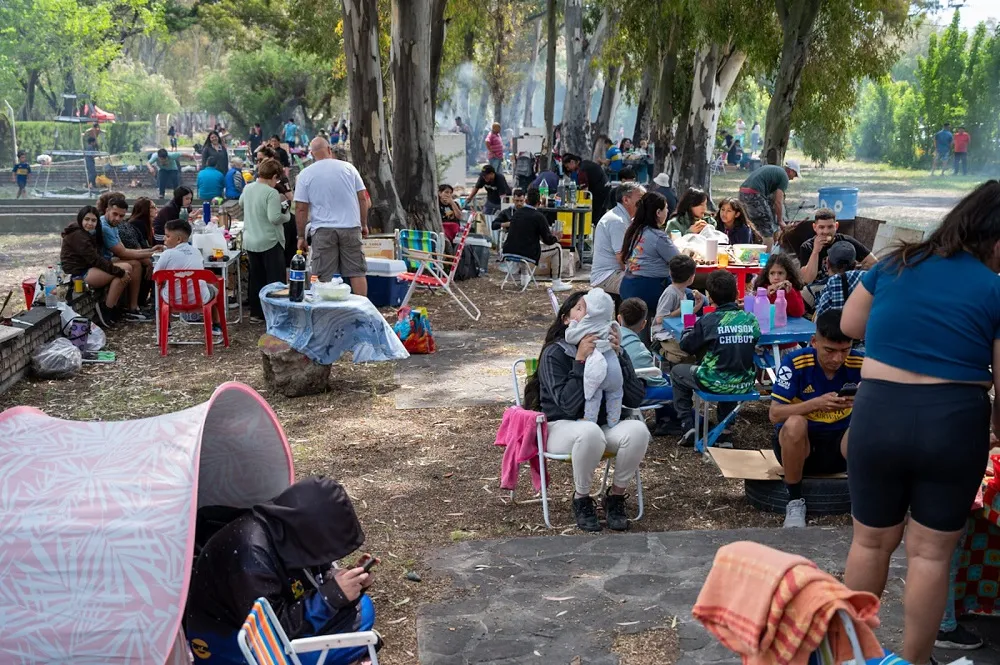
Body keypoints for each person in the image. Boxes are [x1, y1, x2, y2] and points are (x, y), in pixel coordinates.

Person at [839, 180, 1000, 665]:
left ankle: (851, 656)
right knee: (930, 555)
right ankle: (914, 661)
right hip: (952, 422)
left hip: (878, 414)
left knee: (870, 541)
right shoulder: (993, 287)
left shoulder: (894, 263)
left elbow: (849, 325)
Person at [186, 477, 378, 665]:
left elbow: (308, 578)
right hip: (232, 645)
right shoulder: (251, 553)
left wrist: (344, 581)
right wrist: (331, 595)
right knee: (361, 619)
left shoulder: (288, 528)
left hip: (275, 623)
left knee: (362, 609)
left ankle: (350, 649)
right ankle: (351, 649)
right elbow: (270, 632)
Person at [526, 291, 650, 532]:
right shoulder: (555, 354)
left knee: (638, 430)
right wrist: (580, 361)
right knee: (589, 431)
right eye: (581, 309)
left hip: (604, 426)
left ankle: (614, 497)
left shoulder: (610, 351)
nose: (590, 314)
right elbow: (567, 405)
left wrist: (620, 357)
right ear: (566, 320)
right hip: (561, 427)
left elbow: (635, 399)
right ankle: (582, 499)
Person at [769, 309, 861, 528]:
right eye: (830, 350)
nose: (837, 358)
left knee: (870, 420)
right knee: (794, 423)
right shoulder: (794, 362)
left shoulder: (861, 363)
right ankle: (794, 501)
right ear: (814, 342)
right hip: (802, 447)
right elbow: (774, 414)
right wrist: (815, 404)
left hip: (841, 447)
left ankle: (865, 500)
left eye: (845, 350)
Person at [670, 270, 760, 446]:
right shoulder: (750, 319)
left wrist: (689, 328)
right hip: (745, 382)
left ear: (710, 297)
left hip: (714, 380)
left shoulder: (709, 320)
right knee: (733, 366)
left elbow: (686, 346)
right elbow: (753, 339)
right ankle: (725, 431)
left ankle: (688, 424)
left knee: (677, 372)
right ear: (737, 294)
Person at [294, 138, 370, 296]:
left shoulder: (305, 174)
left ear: (312, 154)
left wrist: (301, 236)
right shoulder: (349, 168)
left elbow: (301, 209)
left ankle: (323, 311)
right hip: (350, 226)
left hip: (323, 230)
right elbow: (362, 198)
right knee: (356, 272)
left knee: (321, 275)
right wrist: (363, 224)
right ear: (329, 149)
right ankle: (361, 311)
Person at [618, 296, 683, 436]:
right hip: (630, 393)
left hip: (617, 388)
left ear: (618, 318)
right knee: (676, 390)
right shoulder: (639, 349)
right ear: (643, 325)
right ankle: (690, 421)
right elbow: (656, 381)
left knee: (666, 377)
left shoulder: (610, 337)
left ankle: (665, 420)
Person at [60, 205, 132, 325]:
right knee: (122, 273)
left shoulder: (88, 233)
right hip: (78, 275)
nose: (90, 223)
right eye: (87, 219)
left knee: (127, 267)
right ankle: (106, 311)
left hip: (89, 268)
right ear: (80, 219)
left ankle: (114, 306)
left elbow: (98, 258)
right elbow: (95, 260)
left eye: (93, 220)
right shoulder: (78, 235)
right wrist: (119, 272)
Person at [154, 219, 224, 339]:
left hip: (172, 300)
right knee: (213, 286)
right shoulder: (196, 252)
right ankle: (216, 325)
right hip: (200, 299)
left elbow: (156, 276)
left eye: (167, 236)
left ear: (179, 239)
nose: (164, 239)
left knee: (161, 288)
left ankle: (166, 326)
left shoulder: (167, 254)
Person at [565, 288, 624, 427]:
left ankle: (590, 421)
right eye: (578, 309)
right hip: (613, 366)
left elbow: (570, 336)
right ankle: (613, 421)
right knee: (616, 394)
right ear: (564, 318)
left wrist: (573, 324)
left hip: (598, 366)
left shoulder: (586, 325)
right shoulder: (611, 324)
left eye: (583, 308)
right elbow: (566, 404)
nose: (582, 314)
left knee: (592, 394)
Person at [241, 158, 291, 323]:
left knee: (256, 277)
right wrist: (287, 215)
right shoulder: (271, 193)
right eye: (277, 179)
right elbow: (274, 217)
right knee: (275, 279)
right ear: (274, 176)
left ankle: (256, 313)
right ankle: (276, 313)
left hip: (251, 240)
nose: (276, 183)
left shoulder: (248, 188)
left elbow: (242, 203)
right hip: (270, 240)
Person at [100, 195, 161, 321]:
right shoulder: (105, 227)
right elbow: (122, 253)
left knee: (135, 264)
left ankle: (133, 307)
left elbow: (125, 250)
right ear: (107, 210)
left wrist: (151, 250)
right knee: (129, 265)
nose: (118, 218)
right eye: (115, 214)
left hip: (108, 259)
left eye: (121, 216)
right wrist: (150, 254)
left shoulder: (113, 224)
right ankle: (110, 311)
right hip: (101, 262)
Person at [620, 191, 678, 315]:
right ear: (658, 212)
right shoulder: (658, 237)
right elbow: (680, 261)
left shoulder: (634, 231)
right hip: (649, 289)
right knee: (694, 299)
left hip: (627, 286)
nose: (667, 211)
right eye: (666, 208)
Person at [501, 188, 570, 291]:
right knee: (557, 248)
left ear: (526, 201)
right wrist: (556, 237)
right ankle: (556, 282)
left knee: (523, 245)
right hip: (526, 253)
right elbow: (547, 240)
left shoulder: (517, 213)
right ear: (539, 203)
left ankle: (524, 277)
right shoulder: (539, 217)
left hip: (508, 251)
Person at [589, 182, 643, 297]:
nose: (643, 204)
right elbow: (622, 258)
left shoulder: (624, 218)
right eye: (640, 200)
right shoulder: (617, 221)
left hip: (614, 272)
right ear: (626, 200)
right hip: (607, 276)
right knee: (645, 286)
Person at [797, 208, 876, 286]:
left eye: (830, 227)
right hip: (819, 290)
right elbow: (807, 279)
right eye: (821, 227)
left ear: (836, 226)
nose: (826, 231)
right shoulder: (807, 247)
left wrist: (857, 276)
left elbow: (873, 262)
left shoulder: (846, 241)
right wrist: (815, 251)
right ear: (815, 227)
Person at [651, 254, 704, 364]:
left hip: (679, 331)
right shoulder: (670, 293)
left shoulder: (682, 291)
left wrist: (697, 306)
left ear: (670, 273)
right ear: (691, 278)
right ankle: (660, 349)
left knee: (698, 350)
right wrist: (681, 309)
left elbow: (686, 315)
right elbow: (660, 319)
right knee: (686, 355)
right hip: (664, 334)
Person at [738, 160, 800, 251]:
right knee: (767, 229)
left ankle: (752, 252)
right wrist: (780, 222)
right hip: (755, 194)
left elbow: (772, 203)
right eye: (794, 175)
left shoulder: (775, 171)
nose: (793, 178)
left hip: (743, 192)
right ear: (790, 171)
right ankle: (766, 260)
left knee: (754, 225)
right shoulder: (784, 177)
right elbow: (778, 202)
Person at [814, 242, 867, 319]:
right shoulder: (865, 278)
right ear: (855, 265)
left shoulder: (833, 283)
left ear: (827, 263)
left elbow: (819, 319)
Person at [121, 197, 156, 308]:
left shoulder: (146, 223)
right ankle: (144, 302)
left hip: (141, 253)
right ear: (145, 210)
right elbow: (137, 246)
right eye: (152, 207)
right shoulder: (138, 223)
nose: (156, 209)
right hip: (135, 255)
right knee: (150, 267)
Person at [751, 253, 806, 319]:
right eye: (772, 273)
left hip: (790, 326)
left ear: (788, 275)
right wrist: (766, 295)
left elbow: (799, 313)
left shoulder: (792, 289)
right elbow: (757, 311)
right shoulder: (763, 289)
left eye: (780, 273)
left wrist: (790, 292)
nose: (776, 277)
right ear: (767, 275)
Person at [562, 153, 610, 221]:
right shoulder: (585, 163)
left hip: (600, 191)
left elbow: (584, 191)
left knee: (595, 216)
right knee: (601, 214)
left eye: (567, 167)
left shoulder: (582, 170)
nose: (568, 169)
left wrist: (580, 205)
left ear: (572, 162)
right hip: (606, 187)